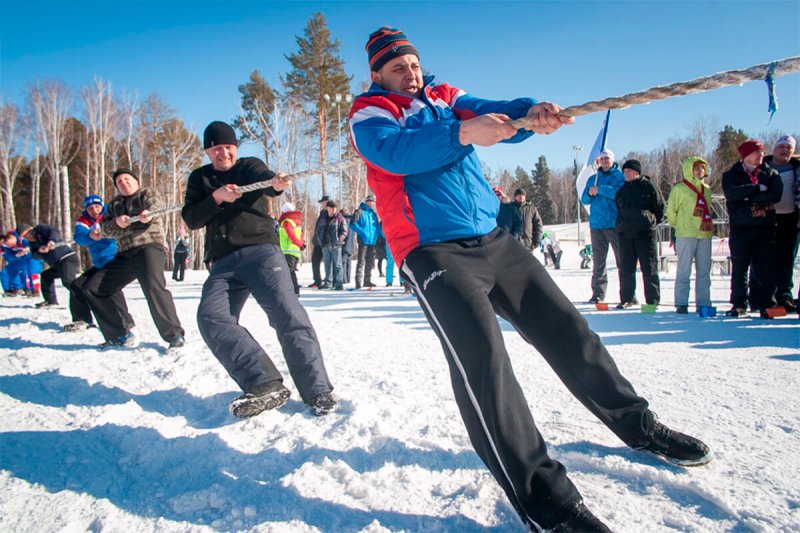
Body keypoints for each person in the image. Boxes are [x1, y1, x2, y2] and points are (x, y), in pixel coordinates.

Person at [349, 26, 710, 532]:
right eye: (396, 68)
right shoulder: (370, 113)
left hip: (493, 238)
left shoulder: (443, 96)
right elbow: (393, 153)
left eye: (412, 64)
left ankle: (637, 423)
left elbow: (498, 111)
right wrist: (462, 133)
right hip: (431, 252)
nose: (409, 74)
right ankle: (549, 505)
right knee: (486, 368)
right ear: (376, 74)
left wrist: (533, 111)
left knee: (569, 330)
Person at [182, 120, 336, 417]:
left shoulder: (248, 166)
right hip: (223, 263)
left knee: (287, 314)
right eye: (216, 149)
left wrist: (276, 182)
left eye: (228, 147)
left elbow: (266, 179)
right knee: (211, 317)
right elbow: (191, 218)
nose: (223, 153)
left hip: (261, 252)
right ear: (207, 151)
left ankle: (317, 390)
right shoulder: (199, 179)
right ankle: (263, 381)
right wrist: (216, 198)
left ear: (235, 148)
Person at [83, 169, 185, 349]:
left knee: (153, 287)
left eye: (127, 179)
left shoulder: (147, 193)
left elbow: (157, 207)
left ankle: (174, 335)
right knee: (94, 288)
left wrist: (148, 214)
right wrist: (116, 224)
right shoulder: (114, 205)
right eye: (119, 181)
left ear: (136, 181)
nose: (124, 183)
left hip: (149, 246)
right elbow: (104, 229)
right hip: (124, 253)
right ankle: (120, 334)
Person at [722, 140, 782, 318]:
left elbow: (775, 195)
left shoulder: (770, 173)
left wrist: (748, 198)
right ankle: (739, 304)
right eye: (756, 153)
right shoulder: (731, 174)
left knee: (766, 267)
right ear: (745, 155)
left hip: (765, 227)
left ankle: (766, 304)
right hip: (741, 227)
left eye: (762, 153)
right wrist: (756, 188)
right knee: (740, 267)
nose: (760, 156)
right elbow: (732, 194)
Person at [69, 194, 134, 333]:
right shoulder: (83, 221)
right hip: (99, 263)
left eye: (97, 206)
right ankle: (82, 319)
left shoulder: (109, 214)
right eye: (91, 208)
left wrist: (103, 233)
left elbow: (118, 229)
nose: (94, 210)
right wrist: (90, 236)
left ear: (102, 205)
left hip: (113, 259)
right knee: (77, 285)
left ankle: (126, 320)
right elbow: (80, 238)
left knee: (109, 288)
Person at [615, 160, 664, 309]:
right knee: (626, 268)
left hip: (645, 233)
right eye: (624, 171)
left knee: (649, 267)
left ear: (637, 172)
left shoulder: (649, 187)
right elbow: (618, 207)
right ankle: (627, 298)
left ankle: (652, 301)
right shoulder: (622, 190)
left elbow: (659, 208)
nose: (626, 174)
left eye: (629, 170)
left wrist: (650, 222)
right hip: (625, 233)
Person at [666, 157, 713, 314]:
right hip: (686, 233)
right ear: (689, 169)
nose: (700, 171)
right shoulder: (679, 189)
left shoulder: (706, 189)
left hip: (704, 233)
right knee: (684, 270)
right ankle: (681, 302)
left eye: (702, 168)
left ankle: (704, 302)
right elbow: (671, 211)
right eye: (696, 168)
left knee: (704, 270)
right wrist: (678, 225)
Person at [580, 149, 625, 303]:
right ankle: (598, 294)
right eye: (603, 158)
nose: (605, 161)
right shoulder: (594, 178)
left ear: (612, 160)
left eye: (607, 158)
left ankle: (627, 294)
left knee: (622, 261)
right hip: (597, 224)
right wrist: (590, 193)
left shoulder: (619, 176)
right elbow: (585, 199)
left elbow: (620, 194)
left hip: (614, 223)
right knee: (599, 262)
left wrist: (601, 190)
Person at [17, 223, 83, 318]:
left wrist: (51, 241)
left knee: (68, 281)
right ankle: (50, 300)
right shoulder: (32, 244)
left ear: (31, 229)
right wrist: (40, 251)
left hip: (67, 258)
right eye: (25, 237)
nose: (28, 238)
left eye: (27, 235)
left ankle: (84, 297)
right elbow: (35, 256)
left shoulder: (40, 229)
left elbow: (54, 231)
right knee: (45, 275)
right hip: (57, 264)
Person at [764, 135, 799, 312]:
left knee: (787, 258)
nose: (785, 150)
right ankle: (766, 296)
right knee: (767, 259)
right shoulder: (764, 166)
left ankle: (785, 296)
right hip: (768, 218)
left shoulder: (796, 168)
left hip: (791, 218)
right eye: (782, 147)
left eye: (789, 148)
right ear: (775, 148)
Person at [350, 195, 379, 289]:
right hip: (363, 240)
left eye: (374, 202)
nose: (373, 203)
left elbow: (377, 227)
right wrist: (362, 232)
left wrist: (376, 236)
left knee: (370, 262)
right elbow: (352, 224)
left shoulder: (373, 213)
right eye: (371, 201)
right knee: (361, 261)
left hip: (372, 241)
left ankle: (367, 281)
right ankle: (358, 282)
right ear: (367, 201)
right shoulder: (359, 211)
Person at [278, 201, 305, 296]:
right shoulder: (296, 222)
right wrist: (301, 244)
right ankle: (293, 289)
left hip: (288, 250)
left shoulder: (286, 222)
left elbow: (291, 235)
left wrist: (299, 243)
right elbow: (300, 234)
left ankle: (295, 290)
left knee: (289, 271)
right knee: (290, 271)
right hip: (294, 250)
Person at [321, 200, 348, 291]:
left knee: (338, 265)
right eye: (331, 208)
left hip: (336, 245)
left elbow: (344, 231)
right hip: (325, 244)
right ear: (327, 208)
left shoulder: (340, 218)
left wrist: (338, 240)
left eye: (335, 208)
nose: (333, 210)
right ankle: (328, 282)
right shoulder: (323, 218)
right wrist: (321, 241)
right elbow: (318, 230)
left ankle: (339, 283)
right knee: (327, 264)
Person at [512, 188, 544, 253]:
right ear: (515, 197)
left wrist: (537, 240)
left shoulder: (532, 209)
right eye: (519, 195)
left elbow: (538, 225)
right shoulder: (510, 208)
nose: (521, 196)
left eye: (523, 195)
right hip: (513, 245)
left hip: (528, 244)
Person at [1, 229, 31, 296]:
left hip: (27, 258)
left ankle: (28, 288)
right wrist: (15, 255)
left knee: (25, 271)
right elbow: (8, 255)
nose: (9, 245)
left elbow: (30, 245)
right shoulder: (5, 246)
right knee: (7, 271)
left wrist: (26, 250)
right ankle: (15, 289)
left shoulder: (21, 238)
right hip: (16, 260)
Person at [341, 207, 356, 285]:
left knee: (343, 262)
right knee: (349, 262)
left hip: (345, 244)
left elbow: (345, 234)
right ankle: (348, 278)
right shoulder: (352, 221)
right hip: (351, 245)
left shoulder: (344, 221)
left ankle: (344, 278)